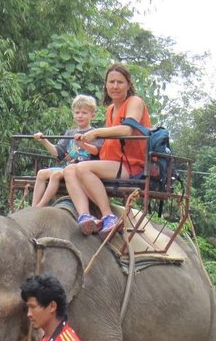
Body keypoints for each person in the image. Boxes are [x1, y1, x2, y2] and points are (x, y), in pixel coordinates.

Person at [63, 63, 151, 237]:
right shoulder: (110, 109)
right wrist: (85, 144)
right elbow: (107, 145)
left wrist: (95, 132)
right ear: (106, 85)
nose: (115, 86)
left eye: (120, 82)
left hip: (130, 165)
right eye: (111, 82)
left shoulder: (135, 102)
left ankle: (107, 216)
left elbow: (127, 130)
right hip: (111, 162)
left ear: (128, 84)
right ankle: (85, 216)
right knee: (69, 169)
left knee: (82, 168)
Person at [31, 95, 98, 208]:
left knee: (56, 174)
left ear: (93, 115)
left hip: (81, 171)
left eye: (84, 113)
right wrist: (44, 140)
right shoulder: (70, 133)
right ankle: (33, 207)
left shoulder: (94, 133)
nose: (80, 116)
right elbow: (57, 152)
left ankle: (40, 207)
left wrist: (83, 143)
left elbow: (96, 152)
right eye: (77, 112)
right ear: (73, 114)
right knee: (41, 173)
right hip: (67, 168)